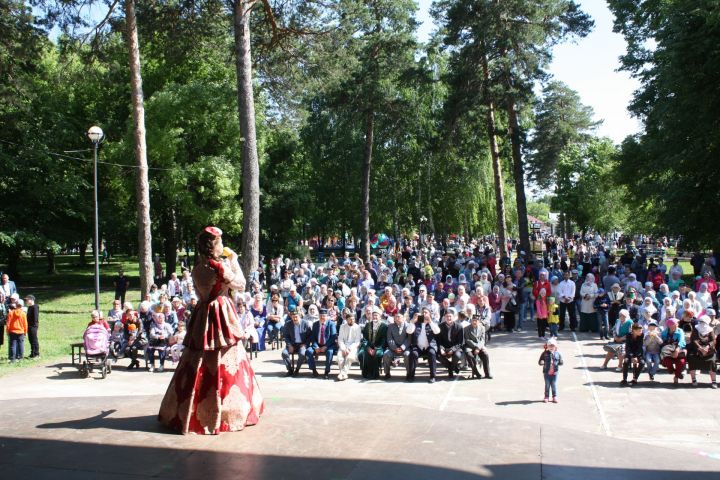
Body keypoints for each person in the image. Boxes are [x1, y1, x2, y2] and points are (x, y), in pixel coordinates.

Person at [158, 226, 264, 434]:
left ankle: (190, 409)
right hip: (220, 310)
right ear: (213, 247)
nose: (223, 246)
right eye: (220, 243)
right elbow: (241, 285)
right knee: (227, 356)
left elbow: (200, 292)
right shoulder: (219, 267)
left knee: (197, 358)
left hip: (203, 312)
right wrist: (233, 260)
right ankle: (226, 410)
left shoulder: (198, 268)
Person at [407, 306, 441, 383]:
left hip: (430, 346)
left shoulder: (433, 322)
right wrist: (412, 322)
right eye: (423, 312)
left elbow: (437, 331)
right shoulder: (417, 323)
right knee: (413, 353)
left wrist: (430, 322)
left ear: (429, 314)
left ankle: (433, 376)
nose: (424, 314)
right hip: (418, 346)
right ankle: (411, 375)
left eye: (426, 312)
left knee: (432, 353)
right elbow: (409, 331)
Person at [306, 308, 337, 379]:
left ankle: (326, 372)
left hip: (328, 345)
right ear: (318, 316)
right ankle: (313, 370)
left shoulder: (331, 324)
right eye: (320, 316)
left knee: (329, 352)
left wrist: (325, 346)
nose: (322, 317)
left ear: (327, 316)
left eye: (324, 316)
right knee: (308, 351)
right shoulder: (315, 324)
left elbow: (333, 337)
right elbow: (312, 337)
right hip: (318, 344)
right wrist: (316, 346)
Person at [687, 315, 717, 388]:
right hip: (696, 349)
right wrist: (700, 348)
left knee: (712, 361)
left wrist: (707, 347)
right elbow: (693, 339)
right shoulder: (696, 329)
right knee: (691, 358)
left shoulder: (710, 330)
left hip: (708, 350)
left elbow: (713, 340)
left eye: (704, 322)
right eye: (701, 322)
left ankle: (714, 381)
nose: (702, 323)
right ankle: (694, 379)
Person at [358, 306, 388, 379]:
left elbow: (384, 340)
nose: (374, 317)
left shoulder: (384, 326)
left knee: (376, 354)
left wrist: (377, 348)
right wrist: (367, 347)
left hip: (379, 347)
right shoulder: (368, 325)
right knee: (362, 353)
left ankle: (375, 374)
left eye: (376, 315)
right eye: (373, 315)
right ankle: (366, 373)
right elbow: (364, 338)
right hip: (368, 346)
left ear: (380, 316)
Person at [281, 308, 312, 376]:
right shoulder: (288, 324)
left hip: (302, 344)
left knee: (302, 354)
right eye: (293, 317)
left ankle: (297, 369)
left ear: (300, 316)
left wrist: (305, 344)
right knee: (284, 353)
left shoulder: (305, 323)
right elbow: (286, 336)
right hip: (292, 344)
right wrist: (289, 345)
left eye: (296, 317)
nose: (294, 319)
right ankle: (290, 370)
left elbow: (310, 336)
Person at [382, 311, 411, 380]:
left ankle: (409, 373)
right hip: (393, 348)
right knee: (386, 354)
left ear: (403, 318)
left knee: (408, 355)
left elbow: (409, 339)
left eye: (399, 317)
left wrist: (402, 347)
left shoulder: (408, 326)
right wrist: (394, 348)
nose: (397, 318)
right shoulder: (390, 326)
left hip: (404, 348)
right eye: (395, 317)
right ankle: (387, 373)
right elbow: (389, 338)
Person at [437, 309, 465, 378]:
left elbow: (460, 342)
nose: (448, 318)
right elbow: (438, 340)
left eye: (450, 316)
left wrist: (452, 349)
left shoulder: (459, 327)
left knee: (457, 355)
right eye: (447, 316)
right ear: (444, 317)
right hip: (444, 347)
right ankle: (453, 367)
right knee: (437, 355)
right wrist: (441, 348)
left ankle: (450, 369)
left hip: (455, 348)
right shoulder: (440, 326)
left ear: (454, 317)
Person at [337, 308, 362, 380]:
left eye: (353, 319)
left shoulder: (358, 327)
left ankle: (342, 373)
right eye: (350, 319)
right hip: (343, 346)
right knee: (339, 358)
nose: (352, 321)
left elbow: (357, 341)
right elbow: (340, 339)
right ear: (347, 319)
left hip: (353, 347)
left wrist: (349, 349)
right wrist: (344, 348)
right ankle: (343, 374)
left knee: (349, 357)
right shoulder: (342, 326)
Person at [464, 313, 491, 379]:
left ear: (479, 321)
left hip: (479, 346)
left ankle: (487, 373)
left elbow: (482, 340)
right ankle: (476, 373)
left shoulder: (482, 328)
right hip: (469, 346)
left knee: (485, 355)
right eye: (473, 320)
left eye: (476, 320)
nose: (474, 322)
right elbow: (467, 340)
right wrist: (476, 347)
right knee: (469, 355)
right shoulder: (466, 329)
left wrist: (478, 348)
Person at [660, 318, 687, 385]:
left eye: (677, 324)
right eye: (674, 324)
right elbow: (662, 342)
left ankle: (676, 377)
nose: (676, 325)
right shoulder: (664, 333)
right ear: (669, 325)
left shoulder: (680, 331)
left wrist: (677, 350)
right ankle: (676, 373)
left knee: (681, 362)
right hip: (668, 351)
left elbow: (682, 341)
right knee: (666, 361)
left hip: (678, 349)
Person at [539, 338, 563, 403]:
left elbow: (561, 362)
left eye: (553, 346)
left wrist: (560, 362)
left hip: (555, 372)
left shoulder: (558, 354)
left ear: (555, 347)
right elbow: (540, 361)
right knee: (547, 384)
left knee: (553, 384)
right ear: (547, 346)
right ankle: (546, 396)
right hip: (546, 372)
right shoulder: (544, 353)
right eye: (550, 346)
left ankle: (554, 396)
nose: (551, 347)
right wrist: (542, 362)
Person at [6, 295, 27, 363]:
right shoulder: (23, 314)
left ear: (15, 305)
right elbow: (25, 324)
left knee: (13, 345)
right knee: (21, 344)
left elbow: (8, 323)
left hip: (12, 331)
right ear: (21, 306)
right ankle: (20, 358)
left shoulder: (11, 313)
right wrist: (25, 332)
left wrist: (7, 331)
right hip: (21, 332)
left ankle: (12, 359)